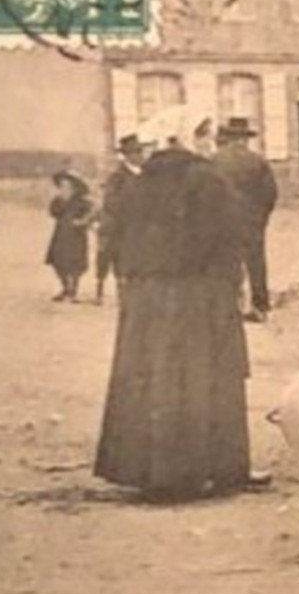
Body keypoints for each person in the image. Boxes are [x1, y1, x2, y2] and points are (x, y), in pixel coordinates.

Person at [95, 109, 262, 502]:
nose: (209, 142)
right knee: (206, 376)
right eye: (204, 135)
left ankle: (149, 471)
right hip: (200, 296)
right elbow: (228, 236)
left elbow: (118, 237)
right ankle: (216, 470)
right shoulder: (208, 180)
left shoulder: (137, 184)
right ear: (188, 139)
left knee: (152, 377)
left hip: (148, 300)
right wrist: (231, 285)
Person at [211, 117, 278, 323]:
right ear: (244, 139)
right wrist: (261, 217)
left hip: (223, 220)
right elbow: (271, 193)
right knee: (256, 263)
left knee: (227, 262)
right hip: (252, 221)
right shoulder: (258, 161)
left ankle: (230, 306)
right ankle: (260, 307)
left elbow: (208, 192)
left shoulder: (214, 161)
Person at [94, 134, 143, 305]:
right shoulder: (118, 177)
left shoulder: (143, 175)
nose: (140, 156)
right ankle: (116, 295)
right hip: (119, 228)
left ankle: (131, 295)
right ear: (128, 155)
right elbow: (111, 202)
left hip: (136, 227)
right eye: (136, 152)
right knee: (117, 261)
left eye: (140, 151)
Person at [45, 169, 93, 302]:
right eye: (61, 186)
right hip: (61, 234)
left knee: (75, 263)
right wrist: (60, 199)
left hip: (76, 236)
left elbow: (90, 215)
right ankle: (65, 287)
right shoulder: (58, 201)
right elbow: (53, 212)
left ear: (75, 188)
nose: (64, 189)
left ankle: (73, 290)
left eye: (67, 186)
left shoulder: (82, 202)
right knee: (58, 261)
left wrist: (82, 221)